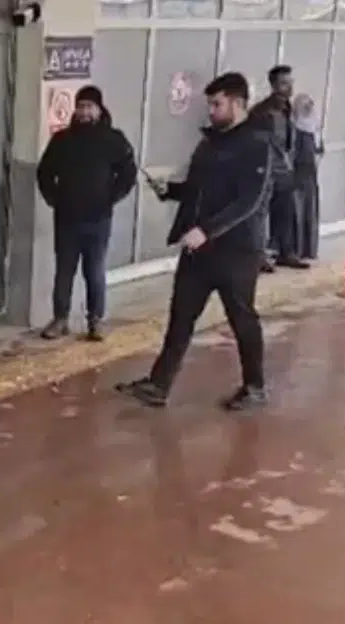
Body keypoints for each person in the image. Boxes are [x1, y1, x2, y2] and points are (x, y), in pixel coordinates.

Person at [116, 72, 271, 411]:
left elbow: (249, 200)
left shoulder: (257, 143)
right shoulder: (210, 142)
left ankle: (255, 386)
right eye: (210, 105)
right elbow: (197, 189)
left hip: (237, 251)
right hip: (198, 249)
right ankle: (159, 384)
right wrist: (170, 190)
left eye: (217, 105)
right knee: (181, 316)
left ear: (238, 103)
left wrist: (208, 229)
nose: (211, 111)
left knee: (242, 318)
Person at [35, 85, 137, 342]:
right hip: (67, 218)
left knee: (94, 271)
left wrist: (110, 198)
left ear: (99, 109)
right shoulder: (62, 140)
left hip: (98, 219)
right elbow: (44, 172)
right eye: (80, 106)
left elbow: (128, 174)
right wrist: (54, 199)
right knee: (64, 271)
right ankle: (60, 319)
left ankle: (95, 320)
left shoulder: (113, 140)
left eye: (89, 107)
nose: (84, 112)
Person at [249, 65, 307, 271]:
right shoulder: (262, 112)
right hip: (266, 170)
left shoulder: (287, 109)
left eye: (290, 83)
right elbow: (256, 143)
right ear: (273, 86)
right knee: (259, 214)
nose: (289, 87)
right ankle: (258, 257)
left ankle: (286, 252)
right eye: (284, 83)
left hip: (284, 170)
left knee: (285, 211)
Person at [292, 93, 323, 261]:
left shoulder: (311, 129)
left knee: (306, 211)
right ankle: (300, 249)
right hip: (300, 176)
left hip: (307, 175)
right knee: (300, 212)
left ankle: (305, 248)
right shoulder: (298, 129)